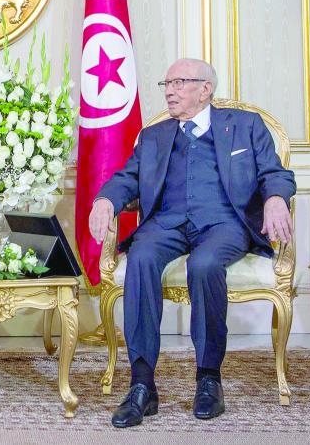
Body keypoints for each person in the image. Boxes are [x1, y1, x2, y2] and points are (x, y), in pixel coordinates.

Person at [89, 58, 295, 426]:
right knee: (141, 257)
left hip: (224, 224)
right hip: (166, 224)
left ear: (205, 89)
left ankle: (209, 379)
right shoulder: (154, 136)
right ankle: (142, 385)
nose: (169, 91)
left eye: (179, 83)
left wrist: (277, 198)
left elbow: (275, 173)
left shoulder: (246, 126)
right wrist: (105, 199)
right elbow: (128, 178)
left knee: (205, 264)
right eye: (166, 84)